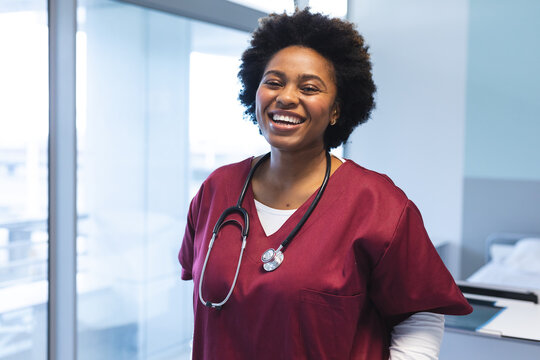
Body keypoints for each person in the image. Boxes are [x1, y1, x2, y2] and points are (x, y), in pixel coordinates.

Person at [179, 9, 471, 360]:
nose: (286, 97)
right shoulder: (217, 189)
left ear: (336, 110)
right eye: (273, 82)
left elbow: (419, 316)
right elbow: (206, 310)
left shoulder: (378, 205)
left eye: (309, 87)